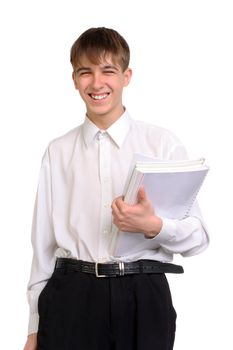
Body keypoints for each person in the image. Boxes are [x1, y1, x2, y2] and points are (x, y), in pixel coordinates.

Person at [23, 27, 209, 350]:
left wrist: (155, 227)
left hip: (144, 296)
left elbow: (199, 238)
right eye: (86, 72)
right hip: (71, 298)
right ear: (74, 80)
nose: (97, 83)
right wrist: (33, 328)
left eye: (108, 71)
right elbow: (42, 250)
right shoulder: (57, 152)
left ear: (126, 76)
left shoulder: (161, 145)